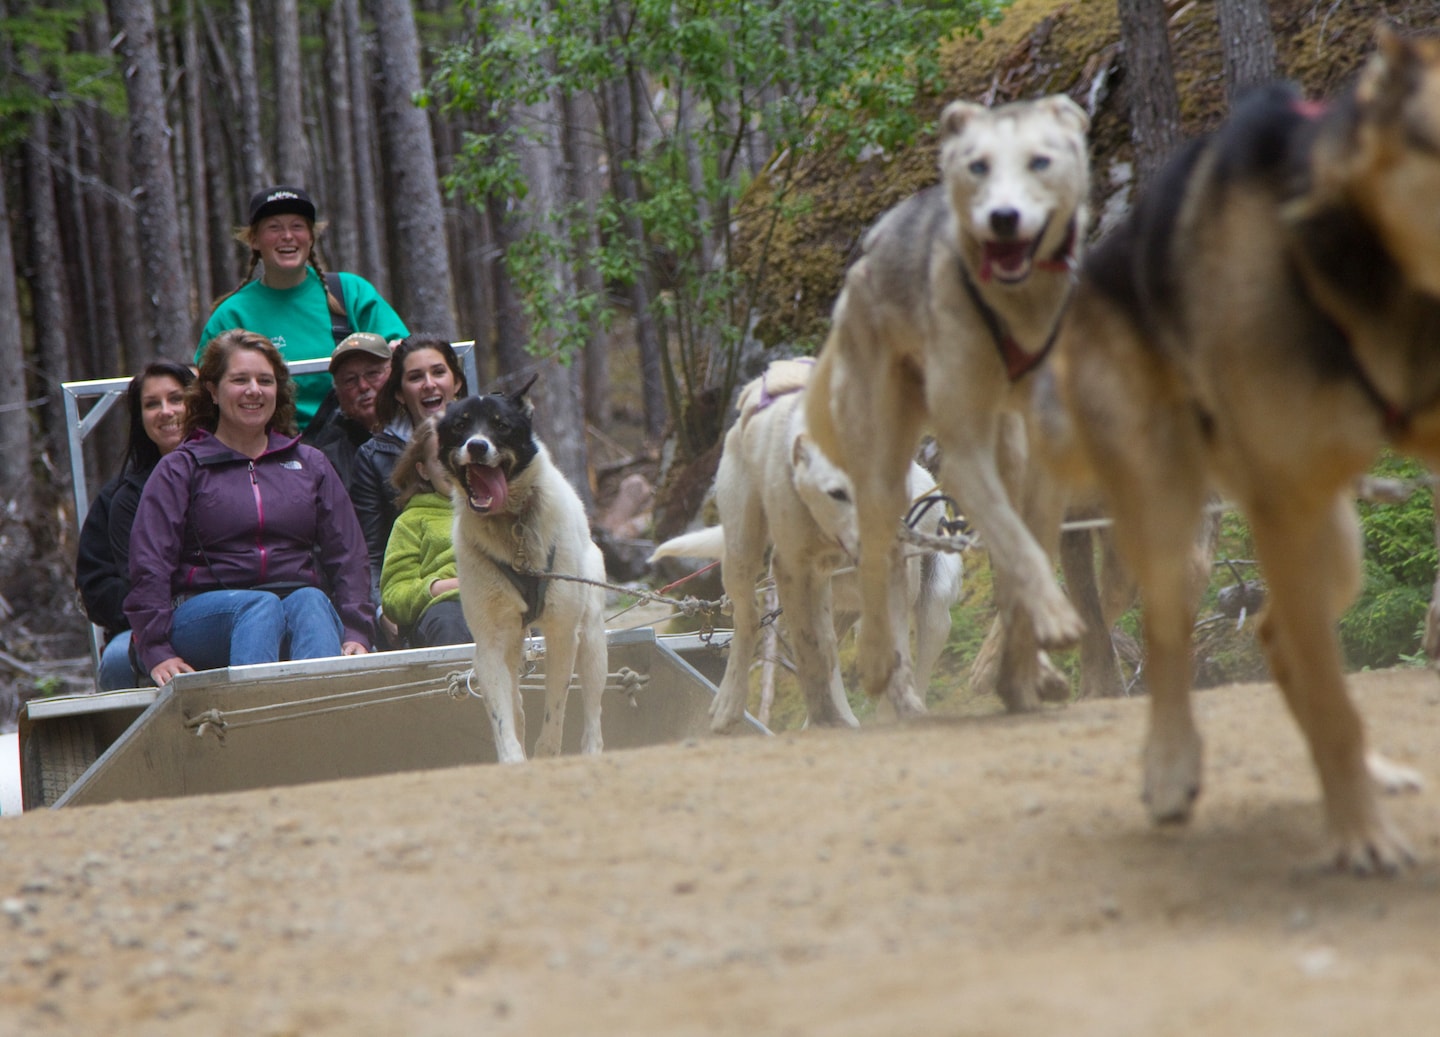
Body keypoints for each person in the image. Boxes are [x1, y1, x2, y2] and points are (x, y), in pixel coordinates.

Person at [125, 329, 373, 687]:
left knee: (312, 601)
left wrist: (357, 631)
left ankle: (323, 726)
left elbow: (348, 554)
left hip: (296, 599)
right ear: (212, 388)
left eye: (265, 380)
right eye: (240, 380)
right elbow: (149, 563)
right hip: (203, 611)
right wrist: (156, 649)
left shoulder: (310, 463)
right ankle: (253, 730)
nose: (254, 390)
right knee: (261, 607)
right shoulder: (181, 468)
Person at [197, 185, 408, 430]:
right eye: (274, 227)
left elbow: (406, 355)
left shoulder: (350, 293)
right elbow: (203, 392)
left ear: (310, 237)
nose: (287, 236)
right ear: (254, 240)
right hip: (268, 452)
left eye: (297, 226)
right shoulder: (231, 315)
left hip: (360, 445)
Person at [75, 359, 196, 690]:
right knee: (116, 662)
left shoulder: (232, 476)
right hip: (139, 626)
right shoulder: (119, 498)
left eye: (176, 399)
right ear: (139, 418)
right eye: (151, 404)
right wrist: (152, 607)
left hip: (219, 611)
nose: (165, 411)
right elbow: (96, 588)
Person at [352, 335, 469, 642]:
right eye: (416, 377)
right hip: (426, 602)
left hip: (497, 603)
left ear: (456, 381)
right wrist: (383, 609)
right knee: (447, 623)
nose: (429, 384)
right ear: (401, 393)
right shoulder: (374, 456)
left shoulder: (493, 440)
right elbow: (372, 552)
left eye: (438, 372)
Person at [380, 418, 472, 647]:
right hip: (444, 611)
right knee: (449, 621)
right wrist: (442, 587)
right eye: (441, 459)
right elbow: (394, 596)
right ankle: (455, 681)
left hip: (497, 607)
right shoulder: (412, 521)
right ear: (423, 470)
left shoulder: (499, 513)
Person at [302, 331, 392, 492]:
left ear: (394, 375)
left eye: (372, 374)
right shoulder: (326, 459)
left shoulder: (422, 429)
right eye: (350, 379)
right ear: (338, 394)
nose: (363, 386)